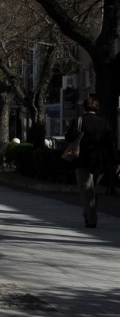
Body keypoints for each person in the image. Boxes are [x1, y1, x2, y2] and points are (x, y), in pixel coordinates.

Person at [65, 95, 120, 228]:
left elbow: (69, 137)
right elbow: (110, 145)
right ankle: (88, 214)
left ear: (84, 107)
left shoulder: (79, 120)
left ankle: (91, 219)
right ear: (97, 108)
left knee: (86, 191)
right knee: (93, 191)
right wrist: (116, 162)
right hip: (99, 162)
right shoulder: (104, 123)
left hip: (82, 161)